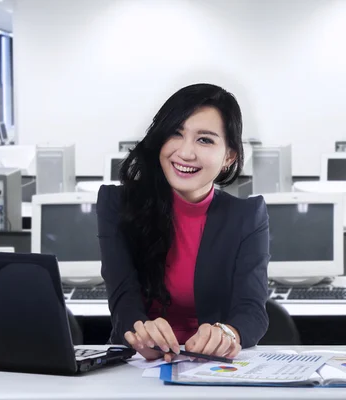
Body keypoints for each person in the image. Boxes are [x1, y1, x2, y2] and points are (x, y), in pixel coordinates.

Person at [97, 83, 270, 362]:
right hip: (137, 364)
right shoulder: (118, 204)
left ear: (229, 156)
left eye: (205, 140)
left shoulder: (246, 216)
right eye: (176, 134)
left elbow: (252, 310)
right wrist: (141, 332)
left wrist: (228, 333)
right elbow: (123, 300)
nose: (186, 153)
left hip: (211, 367)